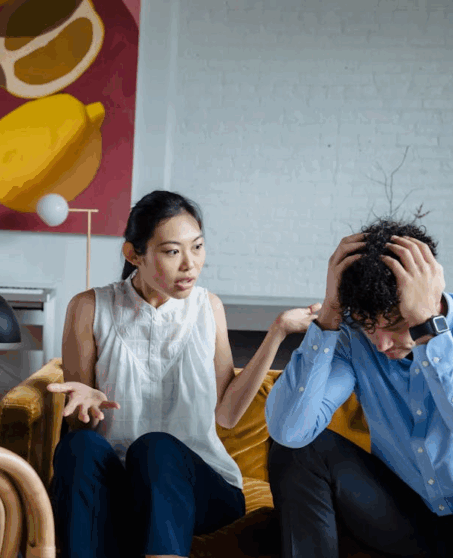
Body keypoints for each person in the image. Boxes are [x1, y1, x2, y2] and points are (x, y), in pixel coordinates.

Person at [47, 190, 320, 558]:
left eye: (198, 247)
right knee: (77, 447)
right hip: (121, 485)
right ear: (133, 254)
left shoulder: (208, 307)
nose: (190, 264)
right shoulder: (88, 307)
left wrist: (278, 332)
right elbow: (80, 429)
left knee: (155, 447)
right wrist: (87, 408)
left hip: (201, 487)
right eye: (173, 251)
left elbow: (226, 414)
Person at [265, 218, 453, 558]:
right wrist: (331, 313)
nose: (380, 344)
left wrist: (429, 331)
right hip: (405, 519)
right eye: (368, 326)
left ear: (429, 295)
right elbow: (290, 431)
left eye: (394, 323)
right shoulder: (353, 337)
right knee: (297, 450)